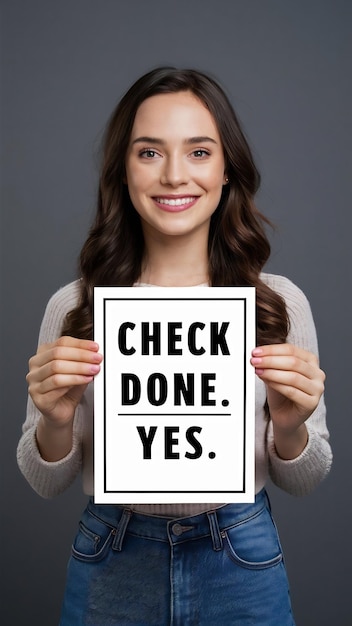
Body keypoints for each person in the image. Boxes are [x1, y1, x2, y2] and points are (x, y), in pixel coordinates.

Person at [17, 67, 332, 625]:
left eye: (199, 152)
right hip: (112, 552)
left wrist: (290, 427)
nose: (173, 175)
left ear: (227, 169)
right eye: (148, 153)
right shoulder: (77, 306)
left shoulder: (275, 304)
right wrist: (55, 421)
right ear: (122, 170)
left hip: (239, 553)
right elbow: (45, 480)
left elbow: (305, 478)